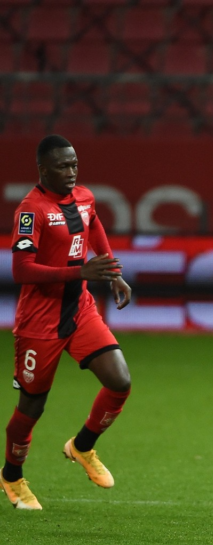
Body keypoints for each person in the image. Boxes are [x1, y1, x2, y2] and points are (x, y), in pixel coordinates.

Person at [3, 135, 133, 511]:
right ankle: (11, 476)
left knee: (120, 380)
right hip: (39, 322)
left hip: (80, 311)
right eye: (63, 165)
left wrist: (111, 271)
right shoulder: (31, 210)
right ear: (44, 169)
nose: (72, 171)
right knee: (32, 406)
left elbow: (93, 227)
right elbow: (20, 269)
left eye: (74, 163)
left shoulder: (85, 198)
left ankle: (82, 446)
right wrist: (80, 271)